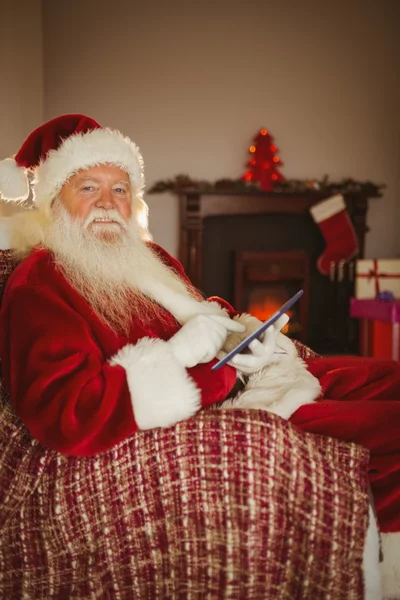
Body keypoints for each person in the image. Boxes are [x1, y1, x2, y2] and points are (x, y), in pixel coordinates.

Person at [0, 115, 399, 592]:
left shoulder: (149, 257)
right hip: (219, 409)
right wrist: (179, 359)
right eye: (88, 187)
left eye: (120, 189)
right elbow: (65, 409)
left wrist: (246, 331)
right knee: (383, 427)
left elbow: (200, 309)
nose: (108, 203)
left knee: (386, 377)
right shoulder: (41, 283)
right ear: (53, 200)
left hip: (249, 376)